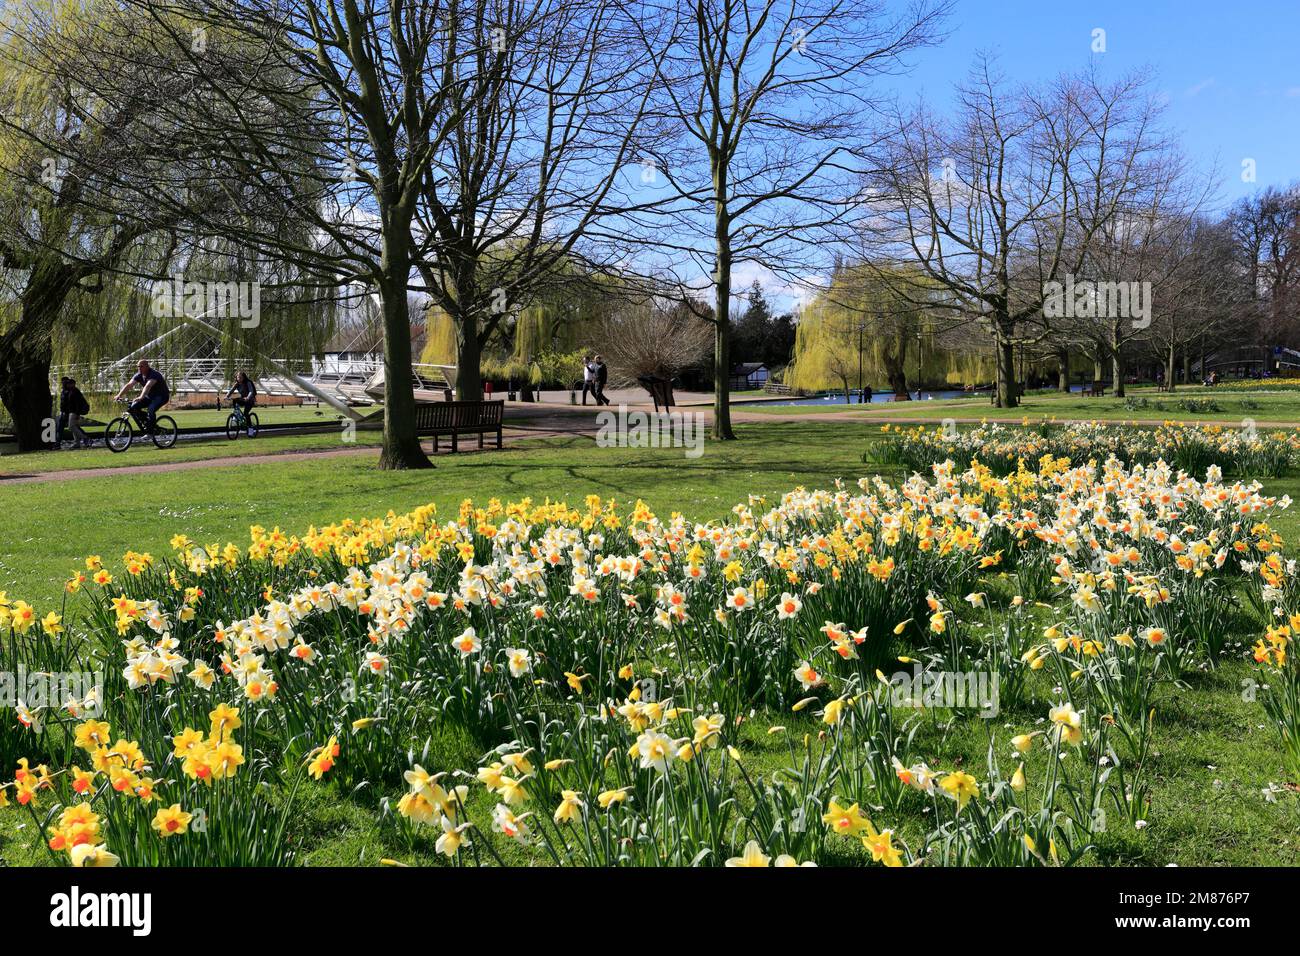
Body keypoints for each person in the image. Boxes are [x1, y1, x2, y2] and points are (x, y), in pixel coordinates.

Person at [114, 359, 170, 433]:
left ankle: (150, 432)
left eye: (141, 366)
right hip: (150, 396)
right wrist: (119, 395)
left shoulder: (154, 374)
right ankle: (148, 422)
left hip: (162, 396)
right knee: (134, 406)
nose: (139, 368)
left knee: (151, 409)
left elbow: (148, 386)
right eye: (138, 366)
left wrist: (141, 397)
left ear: (147, 366)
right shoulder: (139, 375)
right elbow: (129, 385)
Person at [59, 376, 93, 448]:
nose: (67, 385)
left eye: (69, 383)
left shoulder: (75, 391)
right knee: (75, 426)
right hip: (72, 411)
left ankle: (85, 438)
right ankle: (77, 443)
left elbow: (78, 404)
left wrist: (77, 413)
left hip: (74, 412)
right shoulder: (71, 391)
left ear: (73, 384)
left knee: (71, 427)